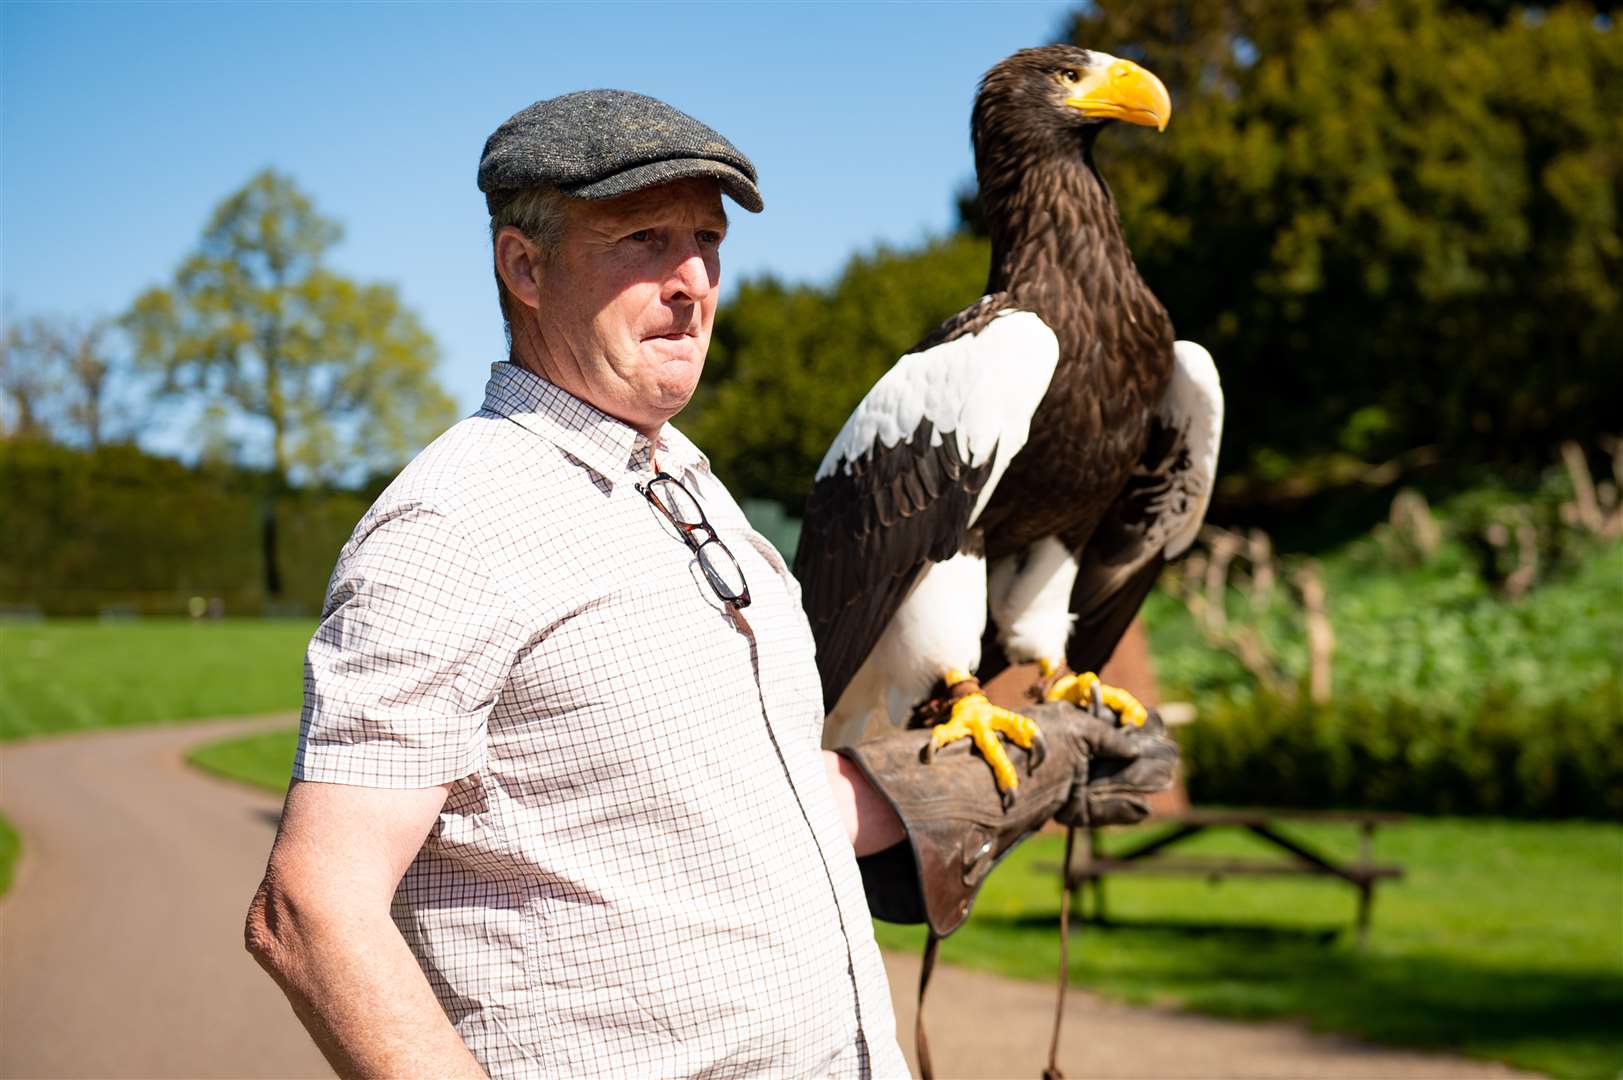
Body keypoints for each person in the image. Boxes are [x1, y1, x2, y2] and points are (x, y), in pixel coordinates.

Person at [244, 88, 1171, 1080]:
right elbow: (311, 909)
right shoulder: (453, 524)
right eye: (643, 238)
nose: (691, 279)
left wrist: (971, 787)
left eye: (707, 240)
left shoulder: (700, 497)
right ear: (523, 265)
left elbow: (738, 792)